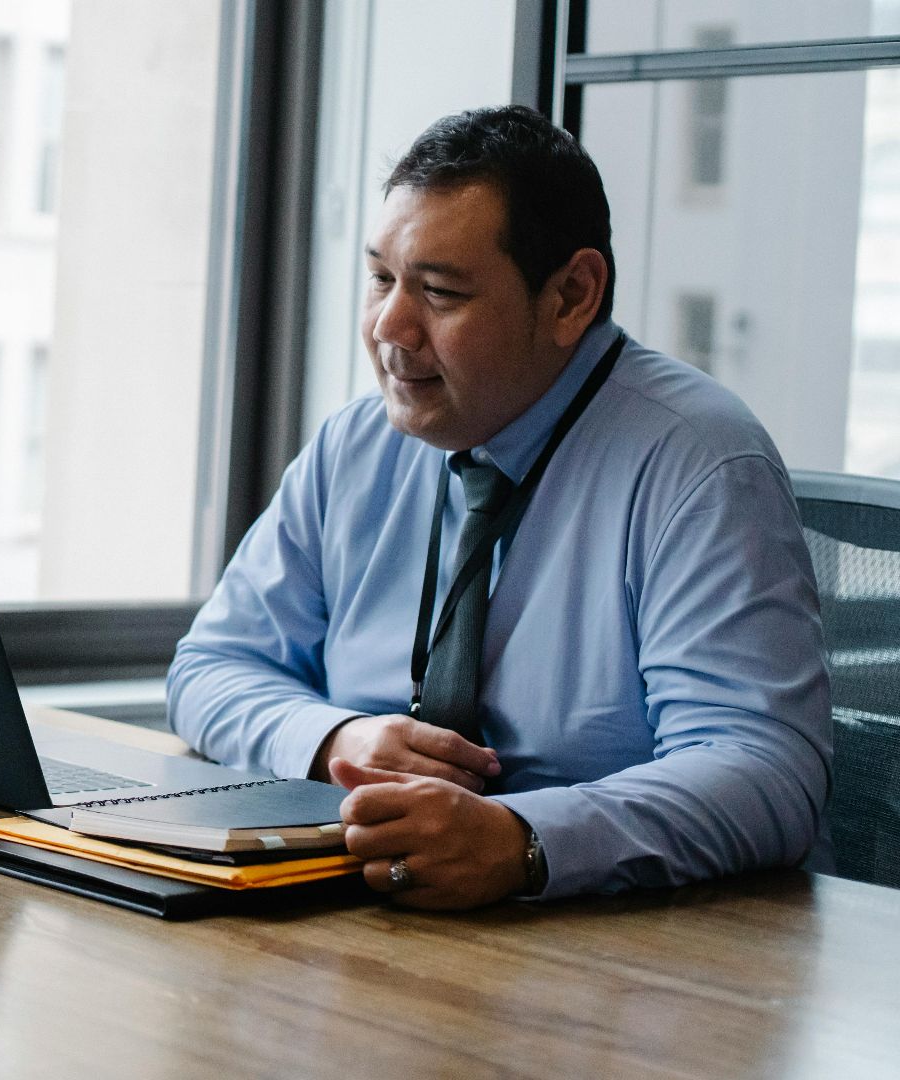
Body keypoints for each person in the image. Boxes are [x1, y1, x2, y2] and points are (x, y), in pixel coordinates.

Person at [168, 105, 830, 910]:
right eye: (380, 279)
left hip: (612, 956)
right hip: (365, 915)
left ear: (571, 297)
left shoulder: (698, 462)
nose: (389, 328)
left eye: (440, 293)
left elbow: (764, 771)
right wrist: (336, 739)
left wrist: (525, 840)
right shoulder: (357, 445)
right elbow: (211, 667)